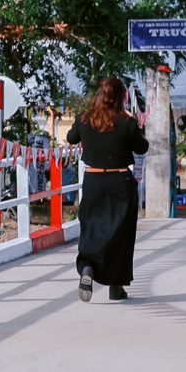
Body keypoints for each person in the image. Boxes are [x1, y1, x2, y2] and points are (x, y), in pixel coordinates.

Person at [67, 75, 149, 302]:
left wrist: (81, 120)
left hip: (93, 182)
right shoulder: (127, 121)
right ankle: (116, 286)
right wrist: (135, 125)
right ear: (122, 97)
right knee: (120, 234)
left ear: (99, 96)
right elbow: (142, 148)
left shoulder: (85, 119)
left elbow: (71, 138)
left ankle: (87, 269)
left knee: (91, 228)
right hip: (120, 182)